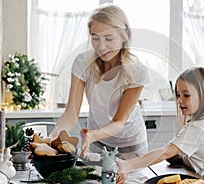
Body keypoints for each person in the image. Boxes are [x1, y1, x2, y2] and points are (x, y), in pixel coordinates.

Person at [49, 4, 149, 159]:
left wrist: (92, 135)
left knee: (130, 183)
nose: (101, 46)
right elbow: (70, 114)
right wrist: (52, 138)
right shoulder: (83, 63)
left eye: (109, 38)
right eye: (95, 38)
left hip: (131, 145)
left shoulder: (136, 71)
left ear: (124, 37)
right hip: (96, 143)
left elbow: (118, 122)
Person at [116, 67, 204, 184]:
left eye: (186, 95)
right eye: (178, 95)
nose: (180, 100)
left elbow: (165, 152)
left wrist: (128, 165)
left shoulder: (198, 128)